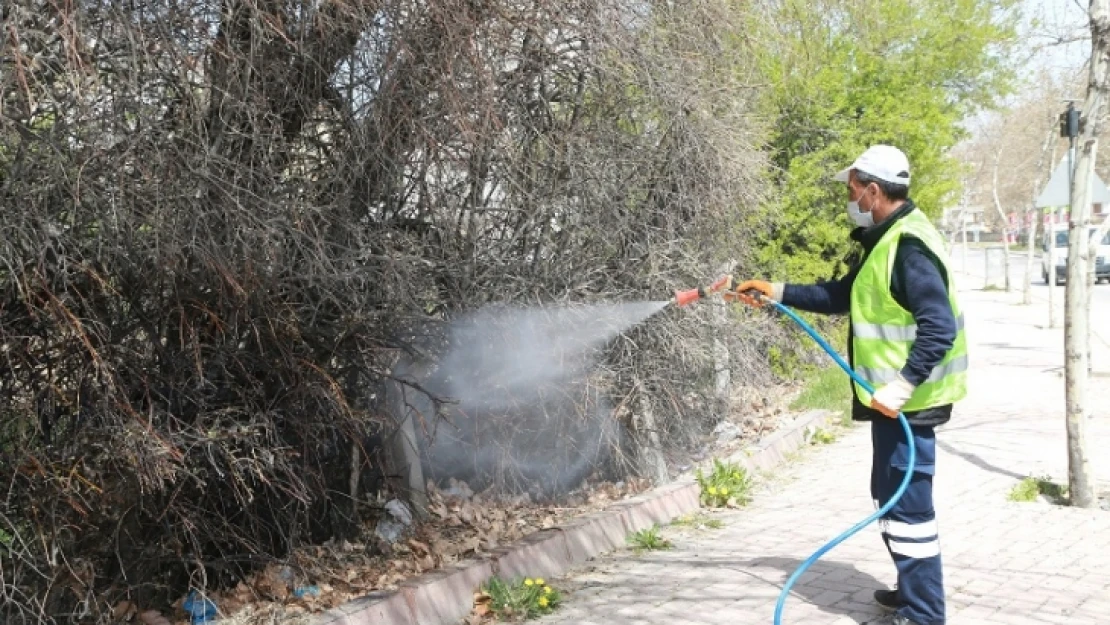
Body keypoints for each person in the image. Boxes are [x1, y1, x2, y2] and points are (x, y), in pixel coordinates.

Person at [731, 145, 967, 625]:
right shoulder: (885, 239)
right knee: (889, 493)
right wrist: (777, 292)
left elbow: (939, 325)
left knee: (908, 503)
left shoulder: (908, 247)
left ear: (873, 190)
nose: (850, 197)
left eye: (852, 189)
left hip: (909, 405)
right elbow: (842, 295)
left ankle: (924, 614)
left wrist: (902, 386)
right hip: (891, 404)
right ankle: (912, 590)